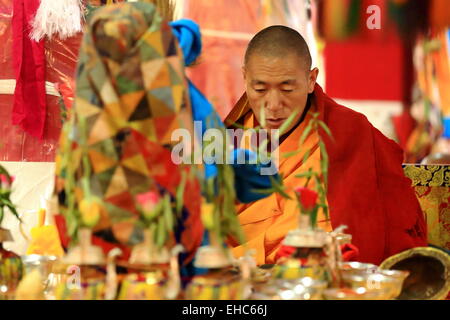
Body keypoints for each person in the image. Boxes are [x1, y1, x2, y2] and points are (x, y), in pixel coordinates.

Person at [225, 25, 428, 266]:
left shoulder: (350, 133)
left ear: (311, 80)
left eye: (287, 89)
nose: (273, 104)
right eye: (259, 89)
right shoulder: (228, 141)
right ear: (245, 78)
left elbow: (372, 231)